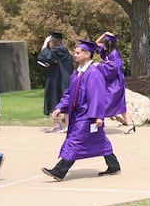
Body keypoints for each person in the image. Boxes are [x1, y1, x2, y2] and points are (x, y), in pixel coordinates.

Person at [41, 40, 121, 181]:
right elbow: (69, 92)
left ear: (87, 54)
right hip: (77, 114)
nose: (74, 55)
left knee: (75, 141)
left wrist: (98, 116)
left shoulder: (93, 74)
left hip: (87, 115)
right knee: (100, 141)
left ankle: (59, 170)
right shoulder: (77, 73)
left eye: (78, 53)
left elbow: (97, 96)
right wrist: (60, 107)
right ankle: (113, 165)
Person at [94, 32, 135, 134]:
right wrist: (104, 34)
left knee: (106, 101)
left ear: (108, 45)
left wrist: (99, 65)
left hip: (115, 83)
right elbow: (96, 43)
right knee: (119, 104)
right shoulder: (108, 52)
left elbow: (113, 68)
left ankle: (97, 125)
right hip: (111, 81)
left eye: (104, 43)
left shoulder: (114, 54)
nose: (102, 45)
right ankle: (130, 124)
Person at [38, 31, 74, 133]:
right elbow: (46, 60)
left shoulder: (60, 50)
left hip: (62, 79)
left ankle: (68, 125)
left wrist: (45, 44)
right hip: (56, 78)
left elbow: (44, 56)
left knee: (64, 101)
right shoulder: (58, 50)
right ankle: (56, 124)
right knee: (54, 99)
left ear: (54, 41)